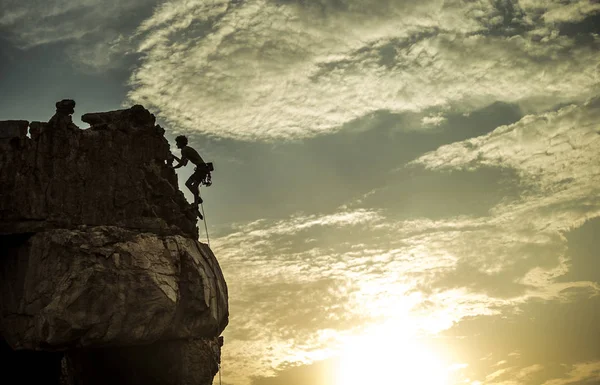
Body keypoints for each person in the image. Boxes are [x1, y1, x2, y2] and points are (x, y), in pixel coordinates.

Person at [172, 135, 209, 219]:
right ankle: (197, 201)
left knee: (193, 185)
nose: (176, 144)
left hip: (201, 169)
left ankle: (196, 203)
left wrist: (173, 167)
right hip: (201, 169)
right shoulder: (187, 149)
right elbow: (184, 163)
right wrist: (173, 157)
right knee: (189, 184)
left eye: (177, 143)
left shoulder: (184, 150)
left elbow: (181, 164)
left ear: (181, 142)